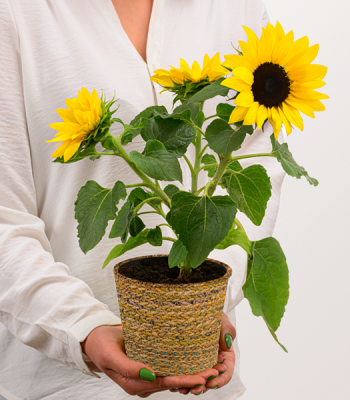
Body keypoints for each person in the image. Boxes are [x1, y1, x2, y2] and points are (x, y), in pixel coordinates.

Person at [0, 0, 285, 399]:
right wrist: (83, 327)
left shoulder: (235, 8)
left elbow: (253, 185)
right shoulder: (16, 12)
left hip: (207, 377)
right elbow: (4, 224)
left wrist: (212, 293)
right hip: (64, 386)